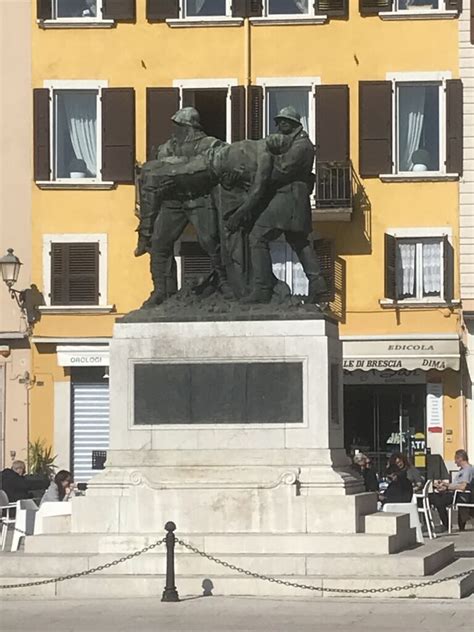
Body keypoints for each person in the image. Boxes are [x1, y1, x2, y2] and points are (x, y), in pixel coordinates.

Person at [229, 106, 327, 305]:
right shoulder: (293, 143)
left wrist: (264, 159)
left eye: (284, 121)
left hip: (288, 197)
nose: (280, 125)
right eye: (278, 121)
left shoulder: (302, 145)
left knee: (257, 236)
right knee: (300, 242)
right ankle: (318, 285)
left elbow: (282, 169)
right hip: (292, 198)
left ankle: (263, 288)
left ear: (295, 123)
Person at [137, 107, 230, 307]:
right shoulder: (167, 147)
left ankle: (225, 282)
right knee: (159, 242)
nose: (174, 130)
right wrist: (183, 165)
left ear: (189, 127)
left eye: (178, 126)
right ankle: (162, 290)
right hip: (173, 201)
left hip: (199, 198)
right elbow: (159, 169)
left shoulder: (211, 144)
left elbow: (210, 166)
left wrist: (175, 166)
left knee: (210, 241)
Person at [430, 449, 474, 532]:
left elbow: (463, 487)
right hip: (455, 493)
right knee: (434, 497)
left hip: (460, 495)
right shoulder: (462, 470)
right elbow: (457, 484)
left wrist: (447, 488)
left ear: (460, 458)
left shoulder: (467, 470)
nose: (455, 462)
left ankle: (446, 525)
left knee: (439, 502)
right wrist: (444, 484)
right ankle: (444, 524)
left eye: (456, 459)